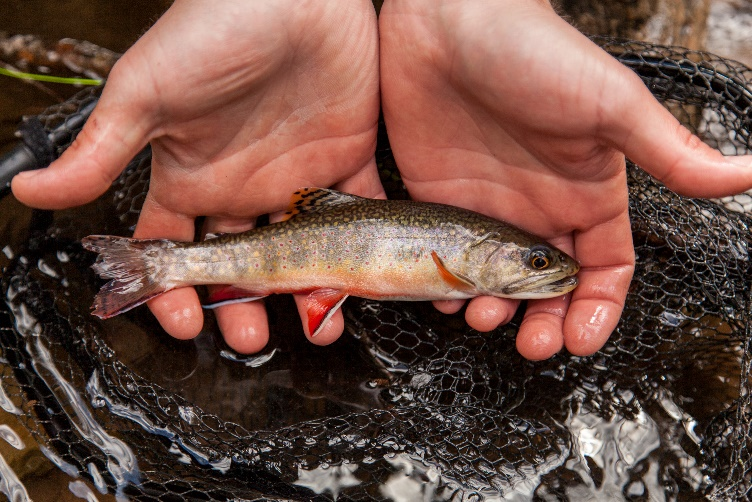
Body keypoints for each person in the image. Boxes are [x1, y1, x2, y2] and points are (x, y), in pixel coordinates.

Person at [11, 0, 752, 360]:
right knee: (244, 274)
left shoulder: (461, 264)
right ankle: (158, 269)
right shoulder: (453, 264)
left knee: (252, 278)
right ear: (489, 256)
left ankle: (163, 269)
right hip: (322, 227)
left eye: (536, 261)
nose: (545, 267)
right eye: (532, 260)